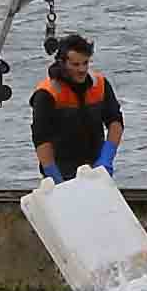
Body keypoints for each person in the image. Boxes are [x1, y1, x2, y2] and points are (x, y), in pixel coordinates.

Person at [31, 33, 124, 182]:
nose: (82, 69)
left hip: (96, 167)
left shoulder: (99, 85)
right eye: (75, 65)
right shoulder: (46, 93)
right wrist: (53, 174)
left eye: (85, 63)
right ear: (62, 63)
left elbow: (116, 122)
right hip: (62, 169)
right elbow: (41, 138)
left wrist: (107, 157)